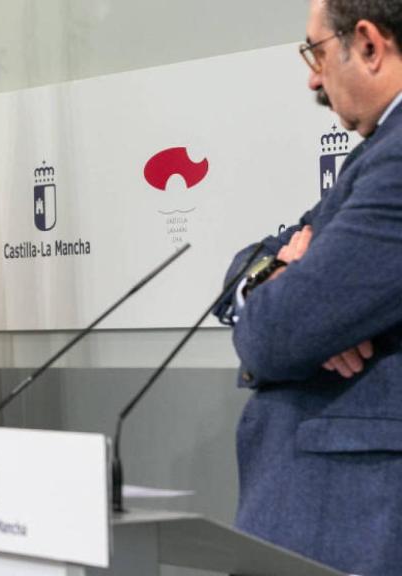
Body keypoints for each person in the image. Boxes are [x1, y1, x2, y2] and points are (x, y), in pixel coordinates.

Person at [213, 1, 402, 574]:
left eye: (317, 52)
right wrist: (294, 278)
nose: (313, 77)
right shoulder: (376, 153)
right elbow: (253, 263)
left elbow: (277, 334)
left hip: (353, 522)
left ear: (367, 43)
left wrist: (306, 300)